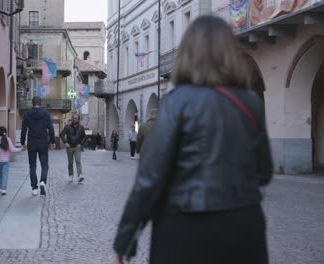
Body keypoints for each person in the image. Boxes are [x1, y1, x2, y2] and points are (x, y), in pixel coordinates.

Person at [113, 15, 273, 264]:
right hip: (244, 225)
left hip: (184, 227)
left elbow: (149, 178)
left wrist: (126, 239)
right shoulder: (250, 103)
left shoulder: (177, 102)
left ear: (187, 54)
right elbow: (264, 172)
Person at [21, 96, 56, 196]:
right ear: (41, 103)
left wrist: (23, 143)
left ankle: (34, 188)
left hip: (31, 142)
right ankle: (42, 181)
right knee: (44, 164)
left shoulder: (27, 114)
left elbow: (24, 130)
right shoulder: (46, 114)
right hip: (43, 143)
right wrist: (52, 141)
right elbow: (51, 129)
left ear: (32, 103)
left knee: (32, 166)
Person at [0, 126, 24, 195]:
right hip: (5, 161)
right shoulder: (8, 140)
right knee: (5, 175)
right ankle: (3, 189)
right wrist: (21, 149)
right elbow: (12, 149)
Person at [60, 113, 86, 183]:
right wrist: (65, 142)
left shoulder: (81, 127)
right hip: (69, 147)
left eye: (76, 118)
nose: (74, 119)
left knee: (78, 161)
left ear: (78, 120)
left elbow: (84, 137)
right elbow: (62, 134)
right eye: (73, 118)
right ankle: (70, 175)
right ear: (72, 119)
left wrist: (81, 144)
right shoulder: (67, 126)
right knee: (70, 162)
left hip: (77, 146)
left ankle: (80, 175)